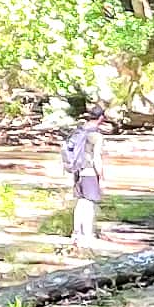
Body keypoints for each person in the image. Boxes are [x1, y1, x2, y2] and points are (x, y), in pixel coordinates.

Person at [58, 98, 106, 249]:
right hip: (89, 172)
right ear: (101, 118)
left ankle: (76, 232)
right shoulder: (96, 136)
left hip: (77, 171)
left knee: (80, 201)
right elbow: (96, 158)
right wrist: (102, 176)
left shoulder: (80, 130)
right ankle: (87, 234)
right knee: (89, 203)